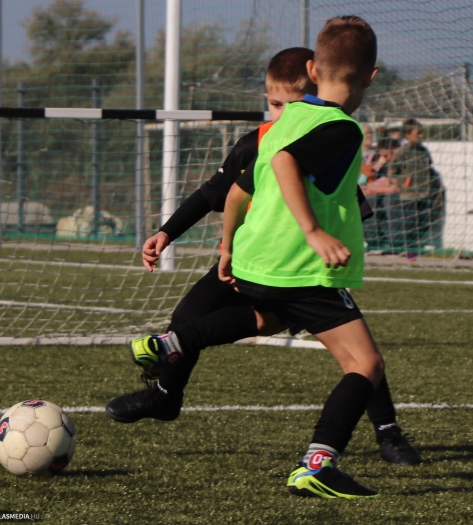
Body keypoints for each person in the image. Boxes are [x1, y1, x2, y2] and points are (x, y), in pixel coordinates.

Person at [106, 45, 421, 471]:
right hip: (248, 256)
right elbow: (216, 194)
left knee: (352, 352)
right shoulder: (260, 141)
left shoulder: (320, 136)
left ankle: (388, 431)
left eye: (289, 105)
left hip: (295, 263)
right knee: (190, 316)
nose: (281, 113)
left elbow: (350, 204)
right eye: (274, 104)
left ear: (314, 93)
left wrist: (325, 242)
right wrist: (169, 232)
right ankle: (165, 395)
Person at [387, 118, 443, 259]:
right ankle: (407, 250)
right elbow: (393, 171)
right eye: (418, 133)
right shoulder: (402, 152)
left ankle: (414, 248)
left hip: (425, 193)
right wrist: (403, 183)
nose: (421, 136)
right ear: (408, 135)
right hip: (409, 195)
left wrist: (435, 185)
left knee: (423, 222)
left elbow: (429, 168)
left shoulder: (424, 151)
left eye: (421, 133)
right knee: (409, 224)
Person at [361, 137, 400, 250]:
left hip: (394, 195)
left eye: (386, 156)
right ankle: (373, 241)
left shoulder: (401, 163)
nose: (384, 158)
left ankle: (383, 242)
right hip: (380, 192)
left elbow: (397, 186)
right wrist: (377, 165)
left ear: (394, 149)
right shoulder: (381, 162)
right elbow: (367, 177)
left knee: (375, 202)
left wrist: (374, 189)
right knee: (365, 201)